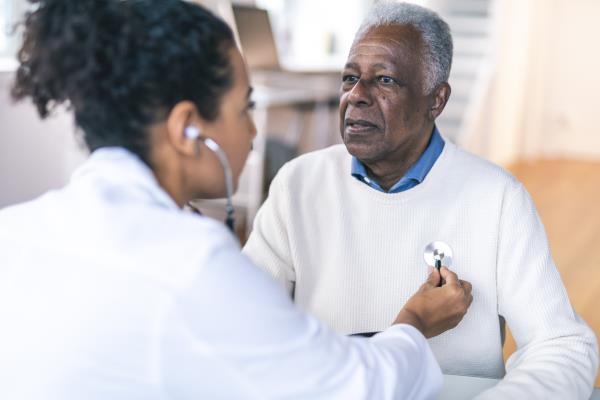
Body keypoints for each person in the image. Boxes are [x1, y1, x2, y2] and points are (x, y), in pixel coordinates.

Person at [0, 1, 474, 399]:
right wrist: (413, 322)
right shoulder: (192, 266)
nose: (251, 131)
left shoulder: (14, 229)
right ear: (188, 128)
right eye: (245, 107)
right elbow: (350, 388)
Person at [243, 2, 599, 399]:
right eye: (349, 78)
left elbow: (563, 345)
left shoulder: (498, 198)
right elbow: (241, 321)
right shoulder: (298, 184)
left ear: (436, 100)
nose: (357, 96)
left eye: (385, 81)